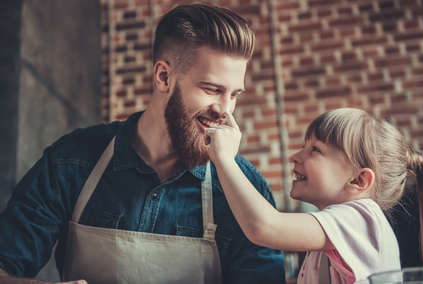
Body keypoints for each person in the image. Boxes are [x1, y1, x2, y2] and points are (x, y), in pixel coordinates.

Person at [0, 4, 285, 284]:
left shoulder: (246, 189)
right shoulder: (72, 161)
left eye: (234, 94)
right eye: (212, 89)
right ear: (163, 77)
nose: (225, 111)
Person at [206, 108, 423, 283]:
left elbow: (264, 227)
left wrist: (224, 159)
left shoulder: (360, 217)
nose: (295, 156)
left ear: (359, 180)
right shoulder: (332, 231)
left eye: (315, 149)